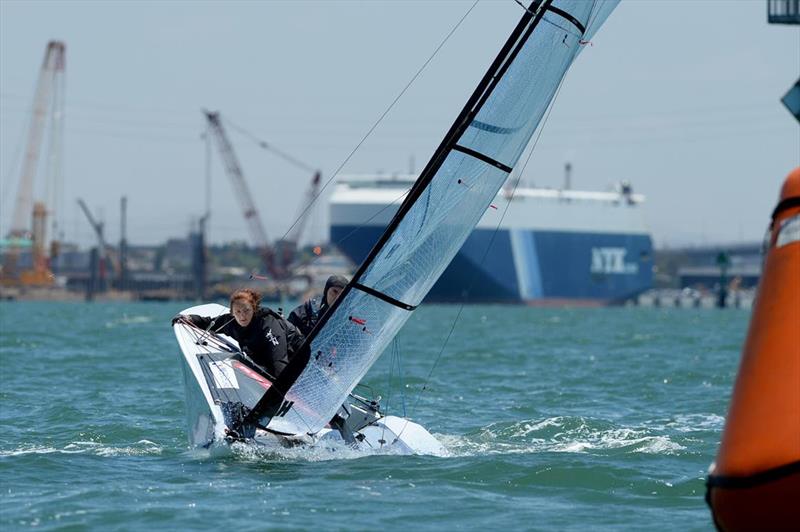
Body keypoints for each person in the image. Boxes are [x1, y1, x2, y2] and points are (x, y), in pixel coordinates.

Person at [175, 288, 304, 379]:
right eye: (238, 312)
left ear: (254, 309)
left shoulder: (268, 325)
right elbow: (209, 323)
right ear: (232, 312)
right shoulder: (231, 322)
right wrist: (188, 319)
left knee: (274, 367)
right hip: (266, 362)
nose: (242, 316)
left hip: (297, 359)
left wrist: (281, 391)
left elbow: (279, 360)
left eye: (246, 310)